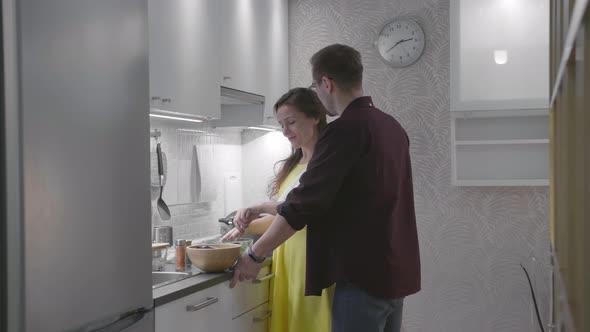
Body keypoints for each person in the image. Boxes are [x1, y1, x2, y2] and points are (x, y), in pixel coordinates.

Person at [230, 44, 421, 332]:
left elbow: (303, 205)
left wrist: (255, 255)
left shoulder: (344, 130)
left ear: (326, 83)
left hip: (362, 280)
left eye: (316, 86)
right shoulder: (391, 127)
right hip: (394, 274)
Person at [224, 87, 334, 332]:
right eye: (281, 124)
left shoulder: (325, 164)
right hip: (287, 257)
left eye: (291, 122)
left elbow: (304, 212)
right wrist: (243, 226)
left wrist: (259, 207)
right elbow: (284, 215)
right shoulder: (294, 163)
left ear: (316, 116)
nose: (285, 131)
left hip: (313, 259)